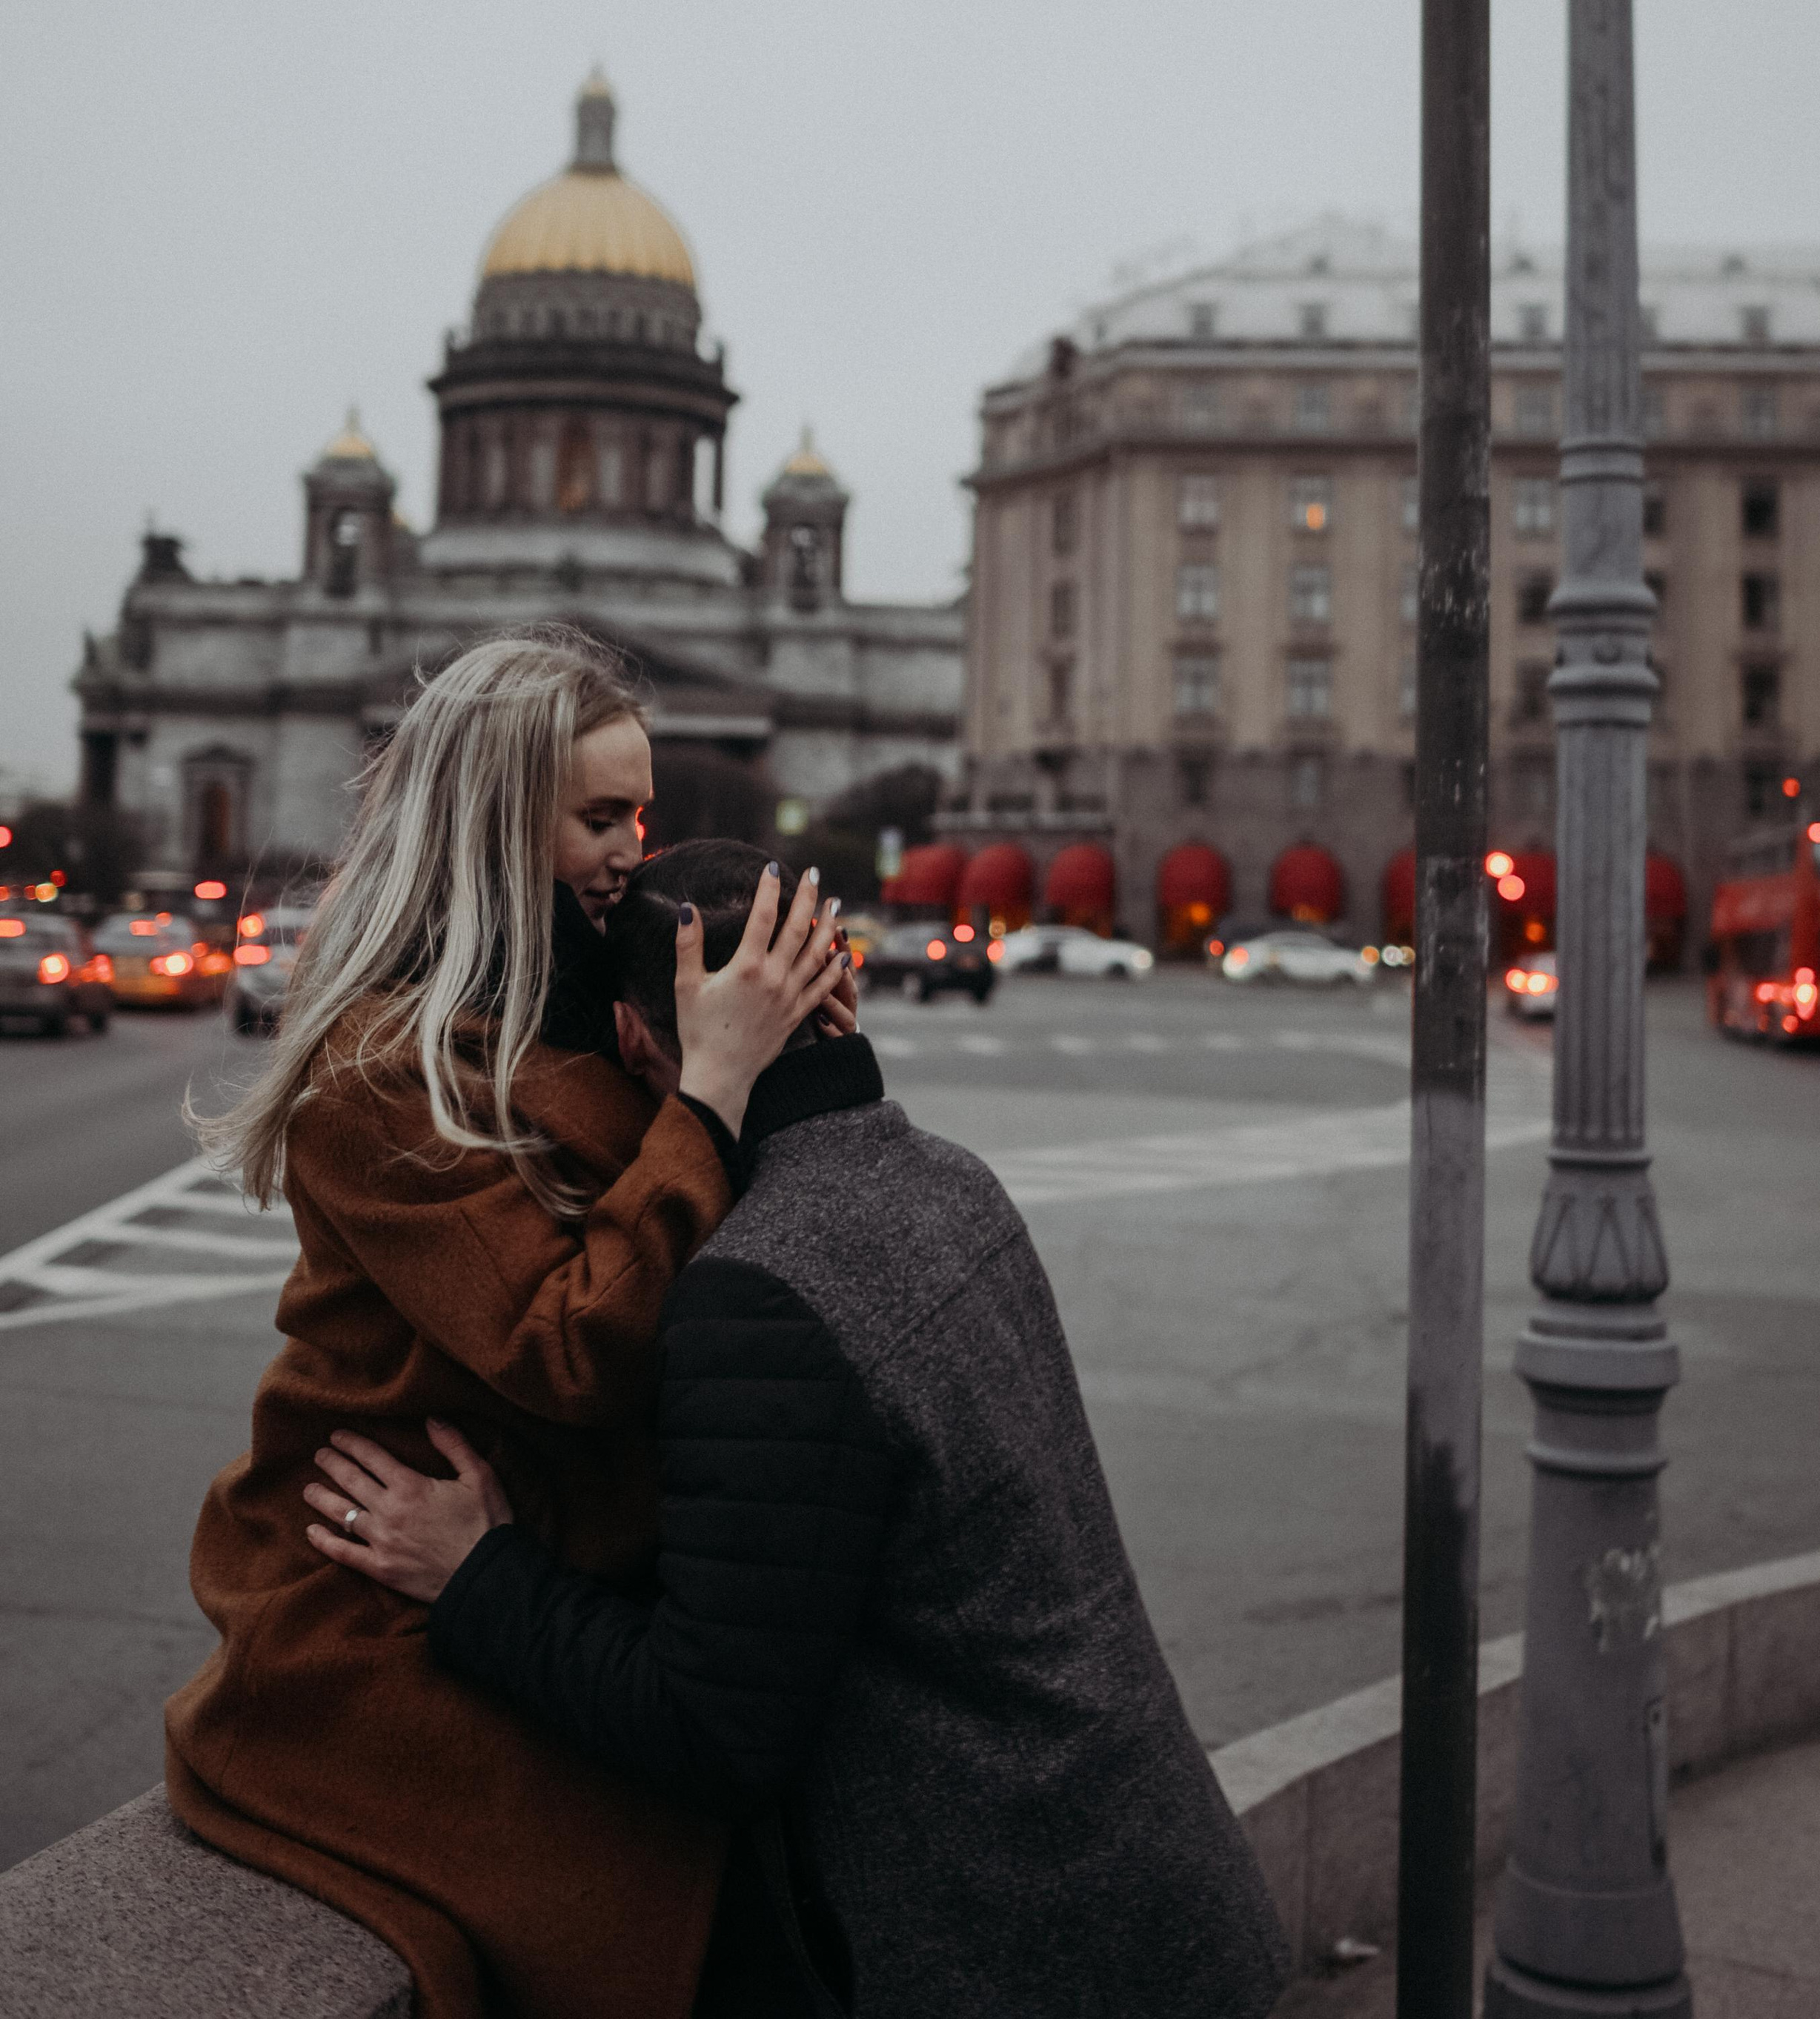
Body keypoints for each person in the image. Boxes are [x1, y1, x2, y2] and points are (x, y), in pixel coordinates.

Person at [306, 839, 1292, 2019]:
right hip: (1147, 1890)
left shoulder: (762, 1289)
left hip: (1015, 1947)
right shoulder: (952, 1181)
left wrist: (478, 1575)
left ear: (632, 1038)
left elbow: (714, 1731)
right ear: (836, 985)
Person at [166, 635, 849, 2019]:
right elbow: (568, 1349)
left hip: (546, 1567)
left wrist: (795, 1052)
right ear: (492, 819)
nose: (633, 853)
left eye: (640, 814)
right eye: (601, 818)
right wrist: (711, 1093)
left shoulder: (601, 1002)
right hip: (371, 1610)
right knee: (647, 1897)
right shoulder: (379, 1069)